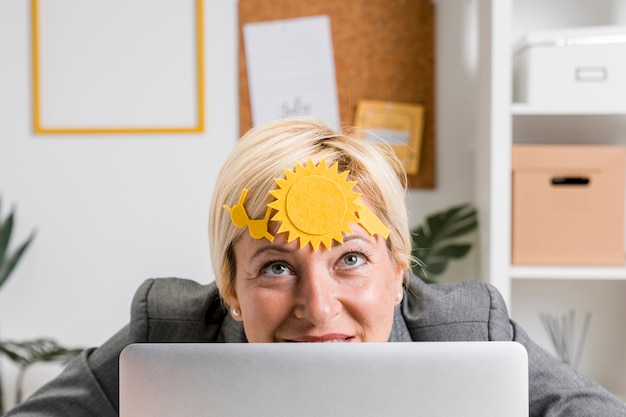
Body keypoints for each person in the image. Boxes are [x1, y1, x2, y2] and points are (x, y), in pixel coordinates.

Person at [7, 117, 626, 416]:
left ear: (398, 267)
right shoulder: (169, 332)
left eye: (351, 259)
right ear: (231, 286)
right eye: (276, 268)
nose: (319, 307)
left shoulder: (470, 330)